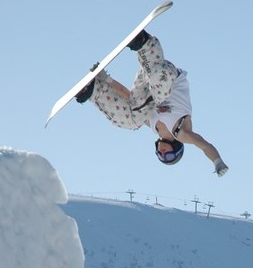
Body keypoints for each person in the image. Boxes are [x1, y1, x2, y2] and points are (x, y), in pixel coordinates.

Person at [76, 30, 228, 176]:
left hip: (146, 82)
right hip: (166, 76)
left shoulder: (151, 124)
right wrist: (217, 161)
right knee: (160, 94)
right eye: (168, 156)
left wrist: (106, 78)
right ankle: (145, 44)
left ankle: (94, 90)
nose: (162, 154)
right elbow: (204, 146)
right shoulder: (182, 133)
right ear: (176, 149)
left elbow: (128, 97)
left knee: (132, 121)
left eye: (160, 156)